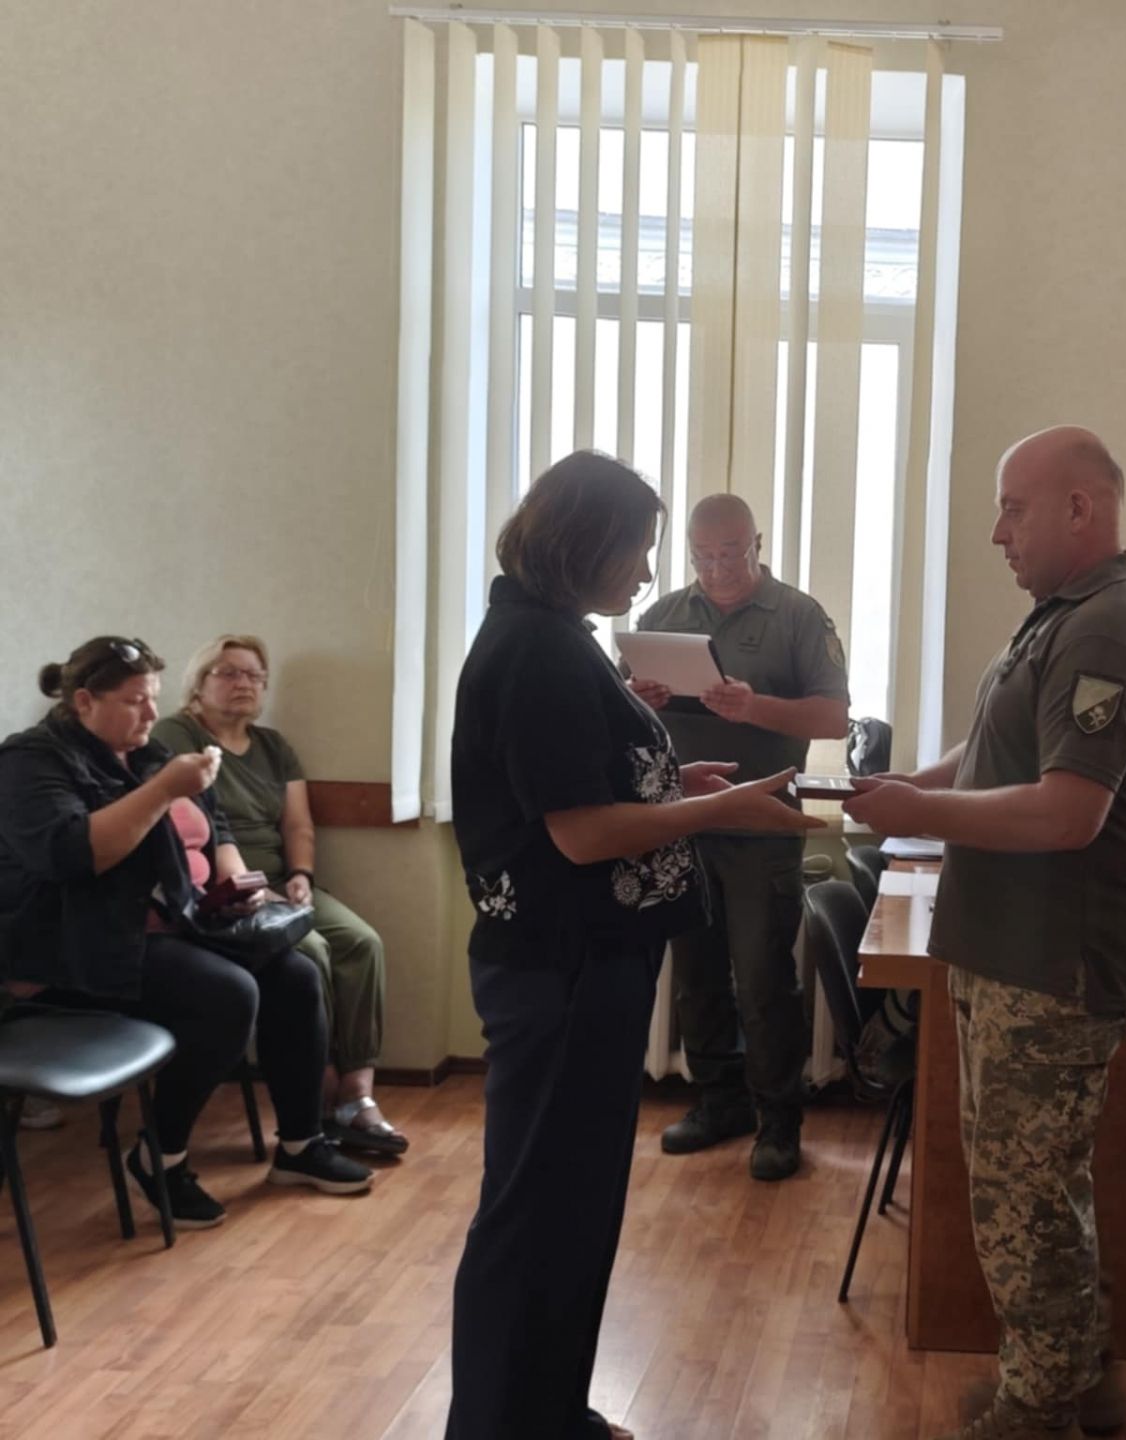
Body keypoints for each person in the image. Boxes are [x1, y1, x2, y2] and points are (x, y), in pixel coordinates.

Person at [445, 450, 822, 1440]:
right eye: (640, 550)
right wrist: (722, 808)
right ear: (586, 544)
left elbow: (588, 783)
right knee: (535, 1213)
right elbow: (579, 833)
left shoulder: (556, 637)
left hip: (585, 963)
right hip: (560, 969)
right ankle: (497, 1425)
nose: (650, 573)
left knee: (572, 1209)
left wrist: (675, 783)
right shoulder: (535, 650)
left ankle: (550, 1414)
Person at [845, 425, 1126, 1440]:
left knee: (1024, 1205)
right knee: (1032, 1195)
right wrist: (913, 787)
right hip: (1012, 957)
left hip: (1053, 970)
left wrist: (918, 812)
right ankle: (1077, 1382)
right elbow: (997, 747)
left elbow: (1066, 812)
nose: (998, 533)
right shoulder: (1062, 617)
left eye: (1012, 509)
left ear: (1081, 508)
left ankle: (1038, 1411)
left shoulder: (1106, 630)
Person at [0, 638, 372, 1230]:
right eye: (135, 701)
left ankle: (301, 1145)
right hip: (72, 949)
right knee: (226, 994)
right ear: (84, 701)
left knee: (296, 975)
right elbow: (72, 856)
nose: (152, 713)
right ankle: (161, 1157)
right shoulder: (31, 761)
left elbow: (214, 822)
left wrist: (236, 882)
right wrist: (163, 790)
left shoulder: (146, 752)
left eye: (153, 698)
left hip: (169, 924)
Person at [630, 493, 850, 1181]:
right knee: (695, 976)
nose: (718, 569)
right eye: (703, 556)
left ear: (757, 544)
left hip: (761, 825)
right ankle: (718, 1101)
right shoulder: (662, 617)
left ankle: (779, 1120)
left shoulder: (798, 616)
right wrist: (640, 701)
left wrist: (756, 708)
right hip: (681, 821)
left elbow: (834, 719)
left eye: (731, 554)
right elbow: (622, 719)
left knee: (762, 979)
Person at [152, 637, 405, 1157]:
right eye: (228, 673)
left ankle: (357, 1094)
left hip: (279, 881)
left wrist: (300, 876)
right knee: (309, 951)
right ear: (198, 684)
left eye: (254, 675)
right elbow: (184, 829)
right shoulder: (176, 735)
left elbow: (297, 824)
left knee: (361, 942)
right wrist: (252, 888)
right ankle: (318, 1097)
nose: (243, 683)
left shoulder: (273, 746)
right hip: (221, 891)